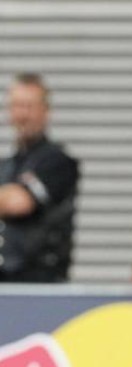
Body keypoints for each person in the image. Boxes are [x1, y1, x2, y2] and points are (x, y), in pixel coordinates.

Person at [0, 72, 80, 283]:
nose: (22, 114)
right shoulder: (7, 166)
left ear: (46, 111)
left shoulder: (57, 162)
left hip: (42, 284)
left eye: (29, 106)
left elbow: (19, 202)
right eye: (17, 106)